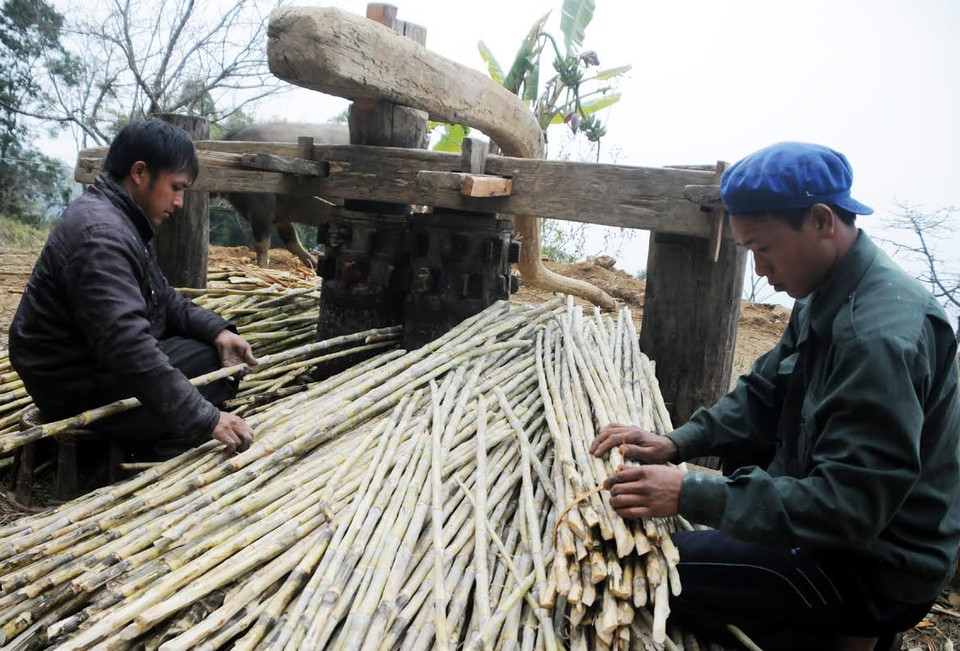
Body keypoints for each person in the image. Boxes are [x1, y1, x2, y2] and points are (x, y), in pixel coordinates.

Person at [590, 142, 960, 649]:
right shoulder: (826, 291)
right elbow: (764, 390)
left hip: (873, 568)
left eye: (763, 248)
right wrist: (677, 443)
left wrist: (688, 492)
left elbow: (849, 507)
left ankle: (844, 632)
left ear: (821, 221)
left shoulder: (877, 338)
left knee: (652, 570)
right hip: (843, 531)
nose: (759, 269)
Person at [10, 119, 256, 457]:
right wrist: (205, 418)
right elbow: (127, 347)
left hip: (88, 362)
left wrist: (217, 331)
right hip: (71, 384)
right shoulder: (102, 236)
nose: (181, 202)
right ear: (140, 173)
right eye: (177, 187)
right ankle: (153, 451)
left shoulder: (121, 220)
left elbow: (163, 297)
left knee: (212, 353)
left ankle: (160, 428)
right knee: (211, 370)